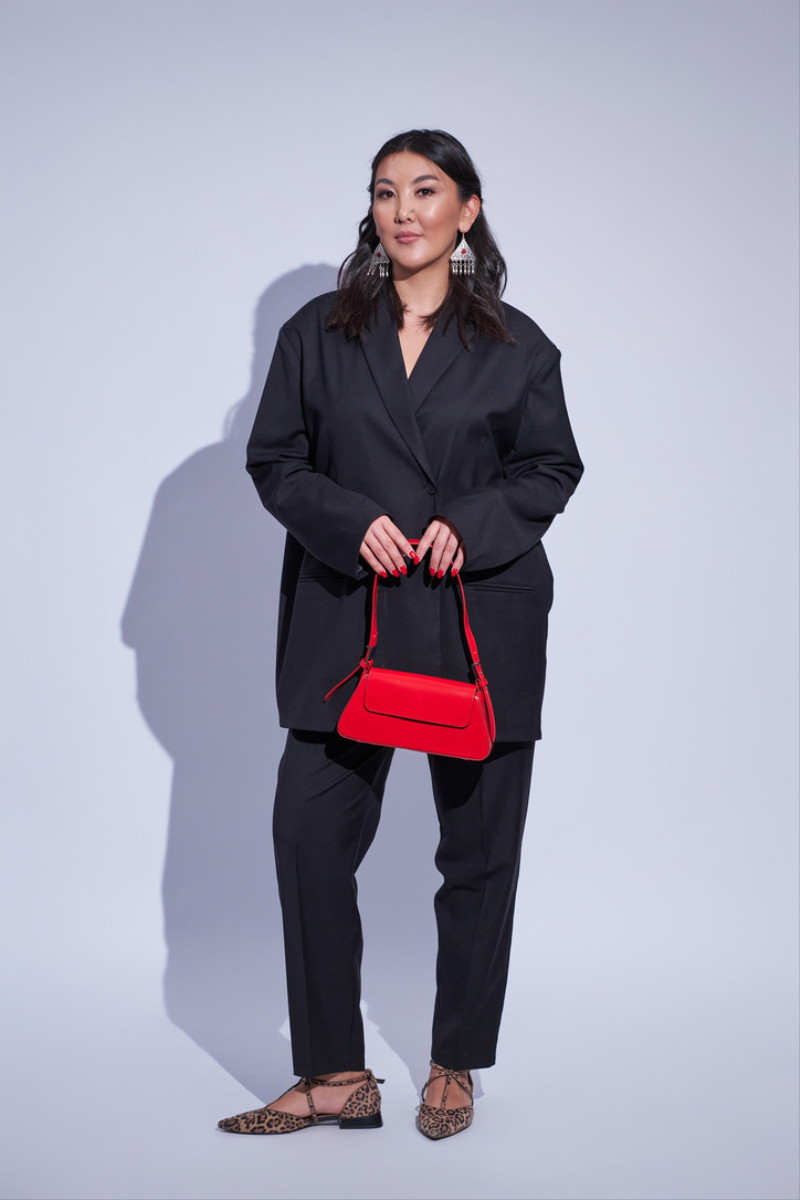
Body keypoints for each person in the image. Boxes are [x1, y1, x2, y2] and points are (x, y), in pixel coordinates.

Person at [217, 129, 583, 1141]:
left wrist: (469, 524)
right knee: (307, 836)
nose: (404, 210)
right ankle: (336, 1074)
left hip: (477, 618)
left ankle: (453, 1062)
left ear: (467, 210)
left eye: (426, 190)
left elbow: (551, 468)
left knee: (479, 855)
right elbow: (276, 459)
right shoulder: (318, 332)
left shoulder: (517, 344)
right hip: (351, 614)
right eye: (385, 192)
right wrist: (348, 521)